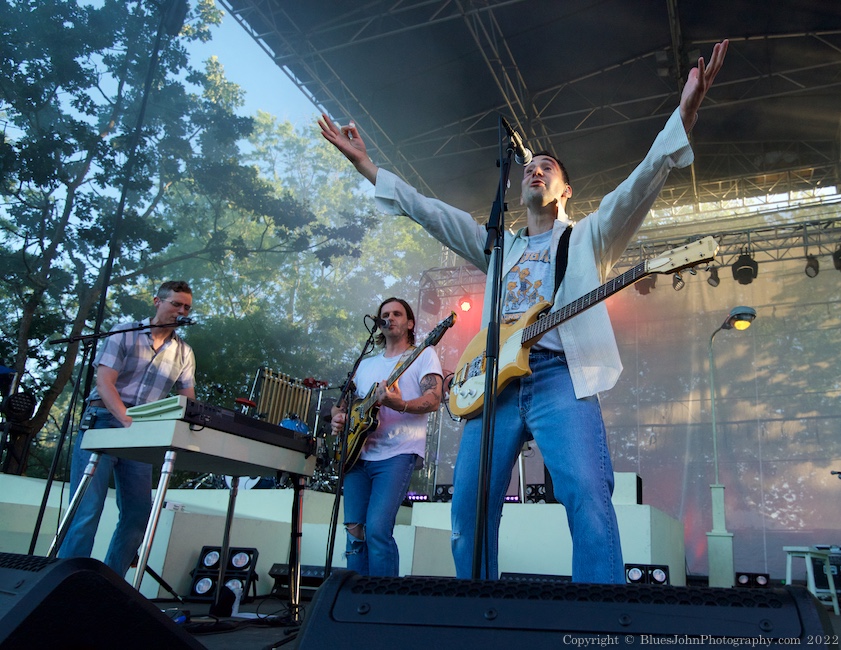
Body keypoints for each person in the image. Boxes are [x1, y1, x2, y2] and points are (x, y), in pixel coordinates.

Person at [319, 40, 729, 583]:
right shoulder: (498, 247)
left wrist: (686, 112)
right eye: (529, 167)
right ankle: (481, 613)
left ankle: (602, 622)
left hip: (559, 377)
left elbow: (637, 188)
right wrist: (368, 166)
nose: (535, 171)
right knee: (468, 512)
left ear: (565, 190)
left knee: (586, 494)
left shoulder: (586, 239)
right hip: (494, 384)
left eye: (547, 168)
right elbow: (432, 214)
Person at [58, 281, 196, 578]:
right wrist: (127, 420)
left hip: (144, 431)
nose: (181, 311)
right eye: (176, 304)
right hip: (104, 420)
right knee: (87, 509)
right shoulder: (125, 332)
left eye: (187, 307)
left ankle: (109, 584)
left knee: (138, 514)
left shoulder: (184, 352)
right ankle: (66, 584)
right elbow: (104, 383)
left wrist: (188, 426)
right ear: (157, 301)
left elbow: (188, 401)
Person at [331, 297, 443, 576]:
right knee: (355, 529)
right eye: (385, 315)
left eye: (397, 313)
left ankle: (383, 603)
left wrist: (399, 404)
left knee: (378, 529)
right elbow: (343, 404)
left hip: (397, 453)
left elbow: (434, 399)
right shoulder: (366, 364)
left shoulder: (423, 355)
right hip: (357, 455)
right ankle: (354, 600)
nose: (389, 318)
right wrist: (339, 417)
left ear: (410, 323)